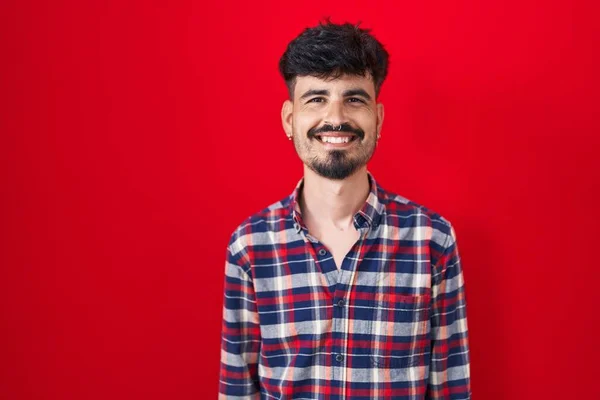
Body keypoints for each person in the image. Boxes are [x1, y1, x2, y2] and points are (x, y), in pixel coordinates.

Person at [218, 20, 471, 400]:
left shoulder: (432, 239)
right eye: (316, 98)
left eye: (354, 98)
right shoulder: (250, 246)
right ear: (290, 119)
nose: (335, 118)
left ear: (379, 119)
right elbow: (237, 389)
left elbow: (450, 388)